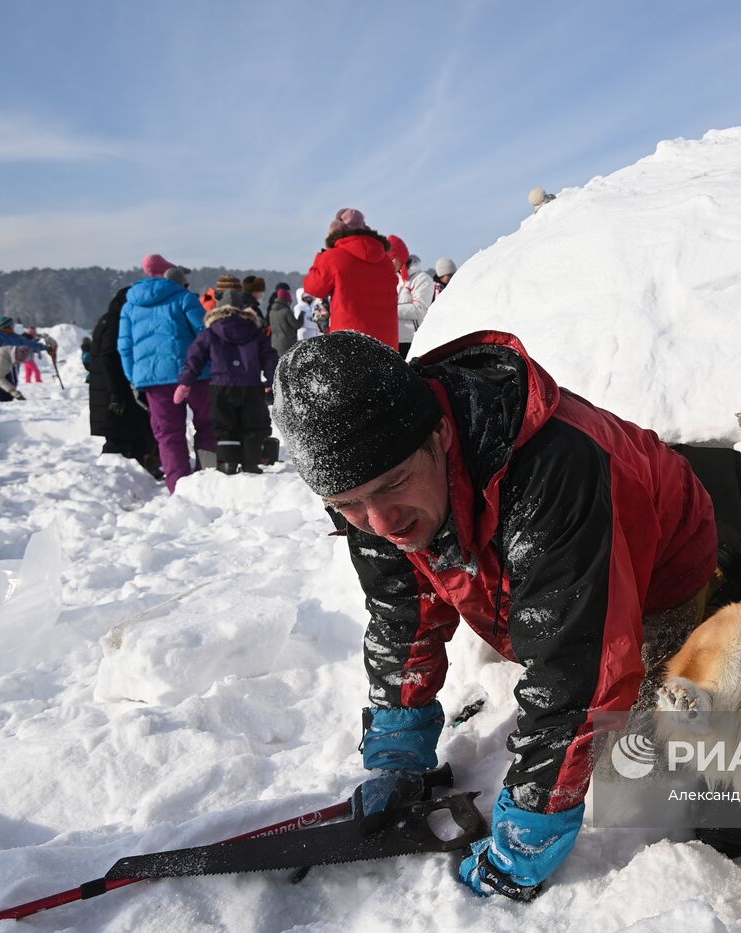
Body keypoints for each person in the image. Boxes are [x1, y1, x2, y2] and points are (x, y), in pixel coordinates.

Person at [272, 330, 718, 901]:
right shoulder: (380, 484)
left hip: (657, 567)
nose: (378, 523)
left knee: (628, 764)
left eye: (391, 487)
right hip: (532, 555)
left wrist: (532, 829)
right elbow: (402, 614)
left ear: (439, 432)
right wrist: (397, 752)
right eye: (347, 505)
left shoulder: (555, 468)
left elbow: (579, 668)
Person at [118, 255, 217, 493]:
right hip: (194, 375)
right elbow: (204, 334)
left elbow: (125, 344)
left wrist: (134, 376)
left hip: (153, 379)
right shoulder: (183, 298)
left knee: (168, 434)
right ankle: (208, 478)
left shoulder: (130, 304)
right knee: (207, 425)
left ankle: (179, 488)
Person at [175, 288, 278, 474]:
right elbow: (269, 358)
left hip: (221, 387)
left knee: (224, 428)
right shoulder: (254, 331)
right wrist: (274, 382)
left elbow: (195, 357)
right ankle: (250, 465)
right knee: (253, 427)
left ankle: (227, 463)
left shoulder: (211, 331)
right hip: (251, 387)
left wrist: (186, 382)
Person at [89, 286, 161, 478]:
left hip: (110, 388)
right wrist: (116, 394)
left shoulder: (107, 319)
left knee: (129, 432)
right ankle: (118, 477)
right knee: (123, 435)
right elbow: (108, 357)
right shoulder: (116, 322)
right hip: (115, 388)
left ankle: (136, 472)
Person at [302, 208, 399, 348]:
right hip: (386, 343)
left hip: (349, 342)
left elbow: (314, 287)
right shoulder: (385, 260)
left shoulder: (334, 257)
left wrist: (323, 255)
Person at [387, 235, 434, 358]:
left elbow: (420, 309)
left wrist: (388, 309)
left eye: (391, 258)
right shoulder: (391, 280)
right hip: (391, 338)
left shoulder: (422, 279)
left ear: (400, 256)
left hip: (412, 340)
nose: (388, 263)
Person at [268, 282, 300, 358]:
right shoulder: (286, 311)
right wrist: (301, 316)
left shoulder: (272, 310)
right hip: (287, 341)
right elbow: (296, 324)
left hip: (275, 341)